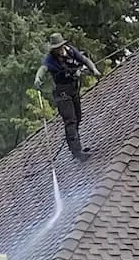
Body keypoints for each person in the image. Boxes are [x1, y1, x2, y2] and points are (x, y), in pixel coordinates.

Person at [34, 32, 101, 162]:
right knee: (70, 120)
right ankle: (77, 152)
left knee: (78, 117)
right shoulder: (50, 59)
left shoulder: (70, 51)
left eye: (60, 47)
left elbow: (84, 60)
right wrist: (38, 78)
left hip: (73, 89)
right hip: (62, 93)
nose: (59, 50)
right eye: (56, 48)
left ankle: (76, 146)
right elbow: (43, 68)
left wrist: (94, 70)